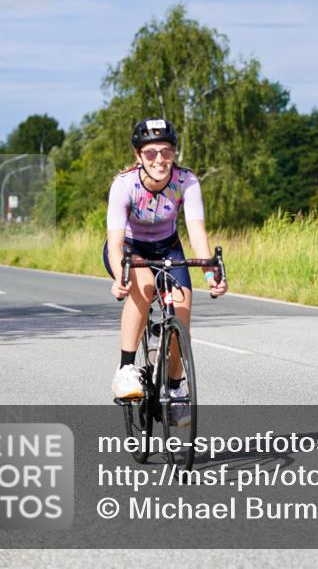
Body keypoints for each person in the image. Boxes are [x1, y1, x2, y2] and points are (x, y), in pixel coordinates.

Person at [103, 118, 228, 417]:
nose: (159, 159)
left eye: (166, 151)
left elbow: (197, 232)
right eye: (150, 153)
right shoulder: (124, 185)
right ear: (138, 155)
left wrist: (210, 273)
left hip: (168, 247)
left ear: (173, 153)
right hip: (130, 248)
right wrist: (120, 277)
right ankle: (126, 369)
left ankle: (174, 387)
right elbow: (115, 243)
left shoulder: (187, 181)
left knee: (181, 311)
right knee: (145, 285)